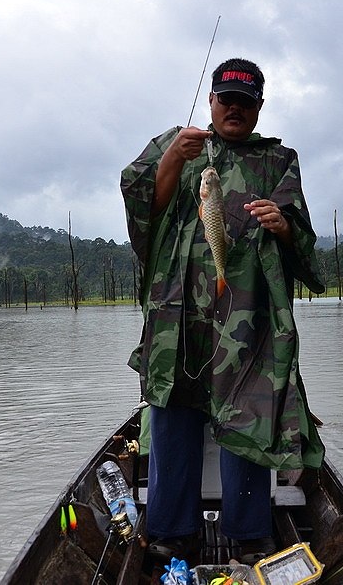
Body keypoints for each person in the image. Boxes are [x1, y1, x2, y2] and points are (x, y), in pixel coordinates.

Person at [120, 57, 326, 564]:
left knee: (249, 413)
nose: (234, 109)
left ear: (258, 107)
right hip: (178, 313)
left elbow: (303, 244)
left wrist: (281, 224)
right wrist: (171, 161)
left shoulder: (278, 161)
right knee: (172, 411)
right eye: (225, 99)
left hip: (245, 315)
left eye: (245, 101)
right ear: (211, 101)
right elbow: (144, 207)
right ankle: (170, 531)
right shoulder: (180, 142)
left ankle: (250, 532)